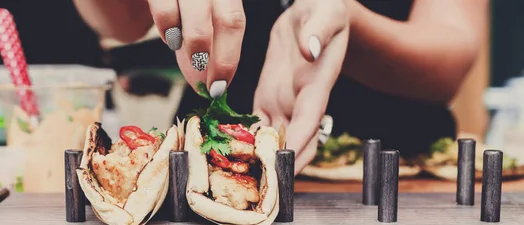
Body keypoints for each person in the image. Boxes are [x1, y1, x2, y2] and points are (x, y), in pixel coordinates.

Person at [75, 0, 489, 174]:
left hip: (404, 179)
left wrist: (343, 21)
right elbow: (121, 22)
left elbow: (450, 57)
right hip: (210, 166)